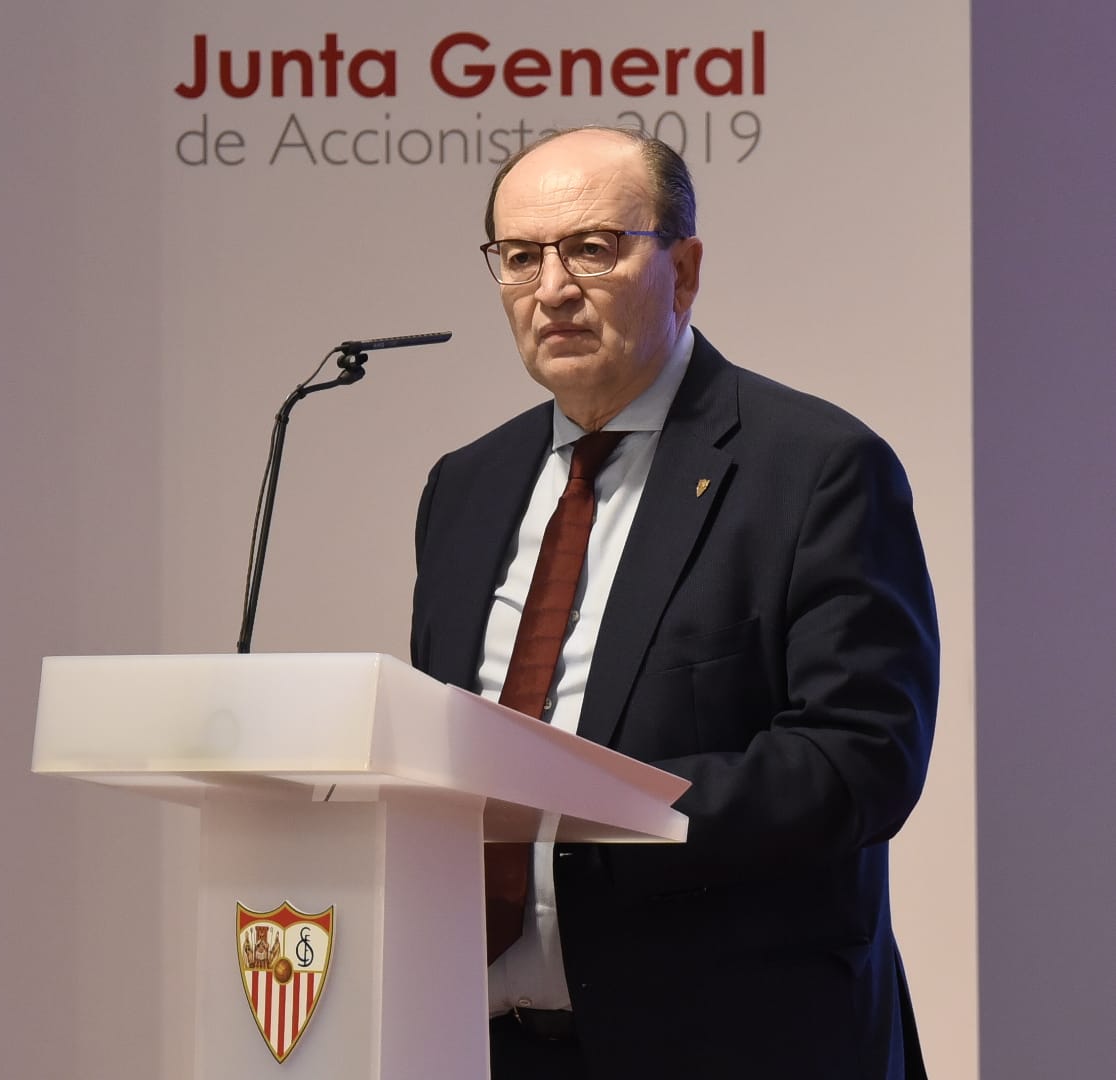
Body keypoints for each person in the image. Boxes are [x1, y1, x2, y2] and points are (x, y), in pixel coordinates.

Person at [409, 126, 938, 1079]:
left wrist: (575, 805)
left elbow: (861, 762)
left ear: (683, 270)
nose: (552, 289)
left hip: (732, 1042)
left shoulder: (815, 468)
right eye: (520, 257)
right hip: (482, 1046)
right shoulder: (466, 486)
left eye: (592, 248)